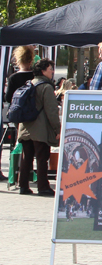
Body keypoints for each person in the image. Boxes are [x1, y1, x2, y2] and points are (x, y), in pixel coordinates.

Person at [16, 59, 60, 196]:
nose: (52, 71)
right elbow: (52, 111)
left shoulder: (29, 84)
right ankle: (43, 187)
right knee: (42, 158)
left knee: (27, 158)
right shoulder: (46, 87)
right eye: (50, 69)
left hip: (25, 127)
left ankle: (23, 185)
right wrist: (57, 129)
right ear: (43, 71)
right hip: (39, 129)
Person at [2, 46, 37, 182]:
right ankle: (29, 171)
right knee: (33, 145)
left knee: (20, 142)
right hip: (33, 114)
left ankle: (18, 171)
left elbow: (8, 97)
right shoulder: (34, 76)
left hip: (19, 115)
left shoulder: (13, 78)